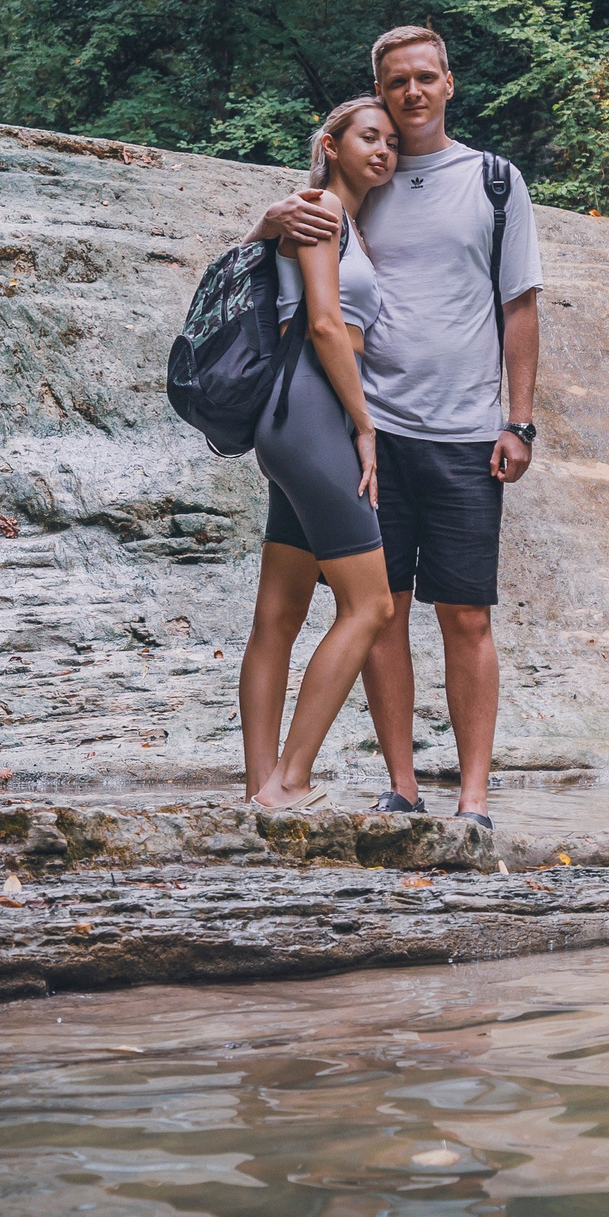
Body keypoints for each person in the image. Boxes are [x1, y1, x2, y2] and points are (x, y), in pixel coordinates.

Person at [251, 25, 542, 830]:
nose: (411, 94)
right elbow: (298, 263)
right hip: (370, 429)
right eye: (395, 84)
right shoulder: (363, 175)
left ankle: (475, 797)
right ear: (377, 96)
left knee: (468, 614)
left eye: (425, 78)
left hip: (465, 432)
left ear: (449, 83)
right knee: (386, 606)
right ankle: (402, 784)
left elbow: (520, 303)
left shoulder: (492, 180)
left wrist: (519, 420)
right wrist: (269, 221)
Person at [236, 97, 403, 811]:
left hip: (288, 414)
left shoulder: (336, 218)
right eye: (369, 137)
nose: (384, 150)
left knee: (279, 610)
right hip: (314, 407)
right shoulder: (320, 212)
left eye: (392, 142)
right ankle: (292, 778)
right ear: (330, 144)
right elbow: (328, 325)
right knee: (371, 606)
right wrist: (363, 424)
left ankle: (259, 789)